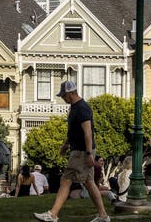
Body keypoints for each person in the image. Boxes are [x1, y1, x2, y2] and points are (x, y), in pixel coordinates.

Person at [34, 81, 110, 222]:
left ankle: (53, 215)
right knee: (89, 183)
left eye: (63, 95)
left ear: (71, 93)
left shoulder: (82, 108)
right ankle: (103, 215)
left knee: (65, 180)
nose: (63, 98)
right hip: (80, 150)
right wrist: (65, 145)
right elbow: (74, 131)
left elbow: (87, 132)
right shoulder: (75, 107)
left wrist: (88, 154)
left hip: (81, 152)